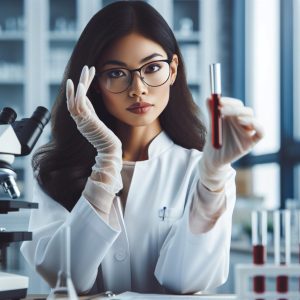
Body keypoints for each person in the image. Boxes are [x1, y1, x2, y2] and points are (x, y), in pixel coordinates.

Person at [21, 0, 263, 295]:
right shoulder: (55, 170)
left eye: (152, 68)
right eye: (116, 73)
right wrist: (106, 164)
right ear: (94, 83)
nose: (138, 88)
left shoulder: (201, 171)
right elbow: (64, 278)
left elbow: (188, 282)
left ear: (173, 70)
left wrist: (211, 182)